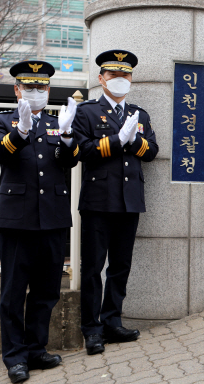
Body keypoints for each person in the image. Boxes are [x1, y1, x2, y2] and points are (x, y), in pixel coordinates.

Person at [0, 61, 79, 383]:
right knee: (13, 293)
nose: (36, 92)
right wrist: (21, 132)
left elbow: (69, 161)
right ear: (17, 90)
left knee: (46, 291)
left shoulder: (58, 122)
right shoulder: (0, 120)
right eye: (29, 87)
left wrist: (68, 136)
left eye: (42, 88)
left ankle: (36, 349)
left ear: (49, 90)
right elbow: (1, 154)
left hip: (52, 219)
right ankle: (15, 358)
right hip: (17, 221)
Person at [73, 50, 158, 355]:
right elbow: (83, 151)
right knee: (93, 267)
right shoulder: (87, 112)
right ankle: (92, 330)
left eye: (125, 75)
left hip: (129, 200)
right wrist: (116, 141)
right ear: (101, 78)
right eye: (113, 75)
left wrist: (133, 139)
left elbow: (151, 152)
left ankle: (112, 321)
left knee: (120, 266)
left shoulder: (139, 115)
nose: (120, 80)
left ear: (131, 79)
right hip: (98, 201)